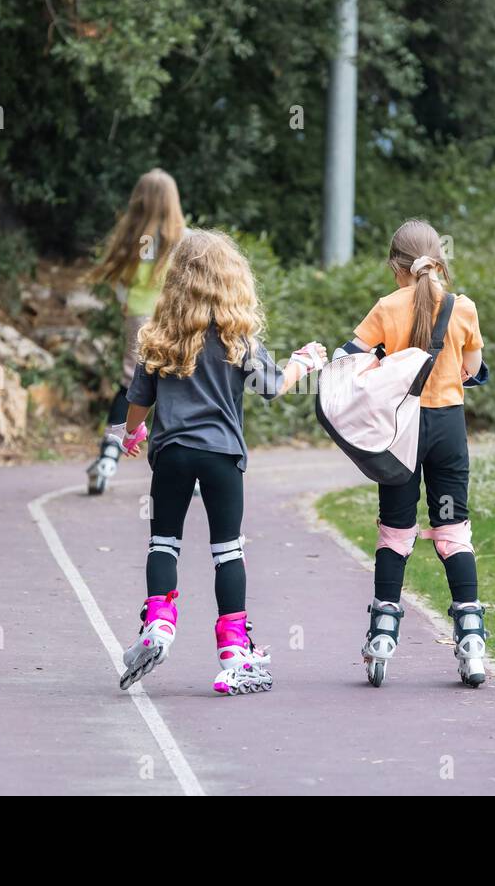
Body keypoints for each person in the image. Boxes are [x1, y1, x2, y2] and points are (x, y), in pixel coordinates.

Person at [113, 229, 326, 695]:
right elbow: (271, 386)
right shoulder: (237, 336)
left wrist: (131, 433)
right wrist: (304, 362)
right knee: (227, 550)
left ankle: (160, 622)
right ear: (233, 281)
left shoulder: (159, 335)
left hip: (171, 453)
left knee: (163, 543)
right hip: (222, 456)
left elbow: (137, 400)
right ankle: (233, 650)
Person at [339, 219, 489, 687]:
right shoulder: (462, 307)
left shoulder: (386, 307)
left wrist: (385, 367)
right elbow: (474, 368)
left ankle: (382, 638)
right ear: (439, 261)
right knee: (452, 531)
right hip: (446, 430)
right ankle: (471, 642)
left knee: (396, 533)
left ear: (394, 266)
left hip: (399, 430)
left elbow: (350, 359)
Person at [85, 168, 184, 494]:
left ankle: (109, 456)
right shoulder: (179, 238)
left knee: (131, 386)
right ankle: (185, 464)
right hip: (174, 317)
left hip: (139, 318)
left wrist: (129, 303)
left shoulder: (132, 237)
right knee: (178, 385)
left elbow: (119, 282)